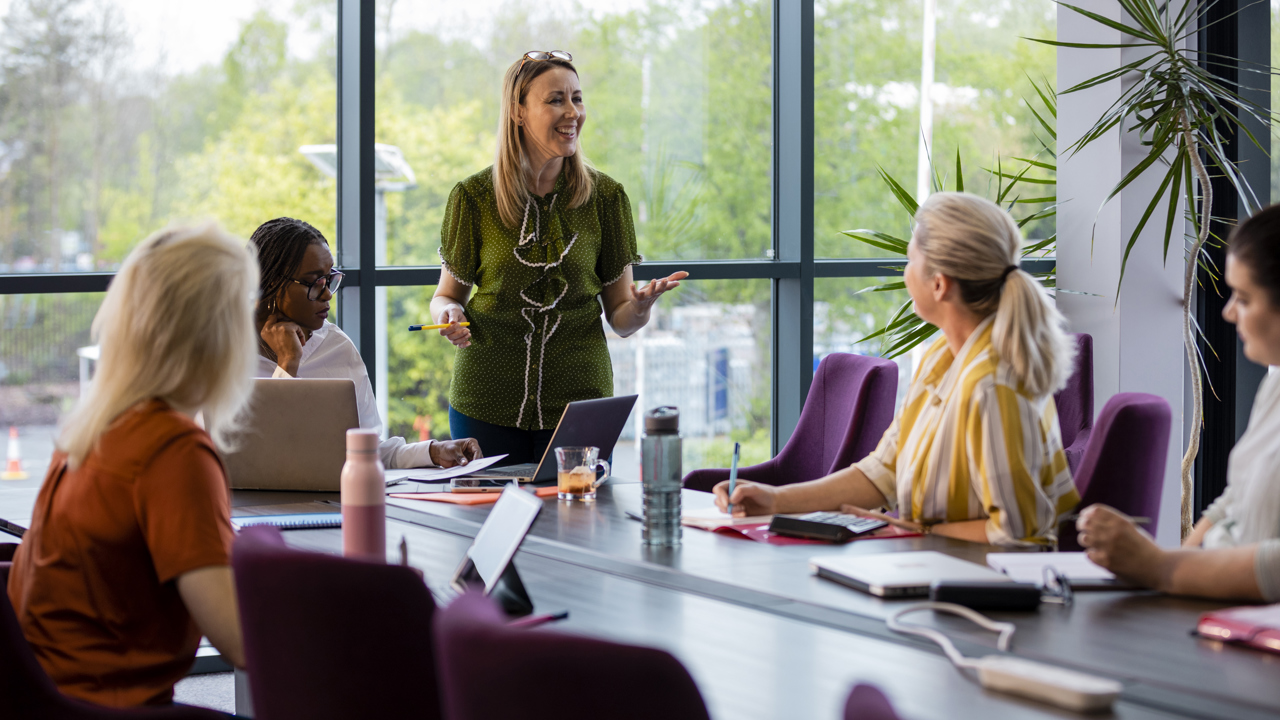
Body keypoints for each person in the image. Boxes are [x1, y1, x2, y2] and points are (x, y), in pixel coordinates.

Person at [714, 193, 1079, 547]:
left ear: (939, 284)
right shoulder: (943, 356)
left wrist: (906, 531)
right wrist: (775, 500)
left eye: (909, 260)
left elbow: (1019, 535)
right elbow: (883, 471)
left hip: (982, 591)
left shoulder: (991, 386)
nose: (906, 273)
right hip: (933, 572)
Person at [7, 224, 253, 707]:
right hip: (105, 707)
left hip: (43, 699)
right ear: (219, 334)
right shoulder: (173, 450)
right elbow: (240, 640)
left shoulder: (93, 428)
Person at [431, 50, 688, 465]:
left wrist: (639, 309)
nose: (573, 112)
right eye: (555, 100)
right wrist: (447, 314)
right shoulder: (473, 197)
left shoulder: (606, 198)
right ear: (518, 111)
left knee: (578, 519)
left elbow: (620, 318)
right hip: (485, 401)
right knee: (487, 521)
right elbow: (447, 295)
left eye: (577, 98)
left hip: (581, 404)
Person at [1078, 205, 1280, 601]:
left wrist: (1159, 567)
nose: (1228, 312)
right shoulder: (1275, 386)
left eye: (1243, 297)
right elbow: (1231, 503)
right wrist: (1167, 576)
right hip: (1221, 604)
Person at [251, 217, 481, 469]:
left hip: (330, 504)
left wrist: (433, 451)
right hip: (248, 507)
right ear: (273, 284)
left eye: (330, 280)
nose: (328, 294)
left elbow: (367, 451)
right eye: (316, 282)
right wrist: (287, 366)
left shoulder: (337, 346)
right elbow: (253, 456)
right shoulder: (222, 353)